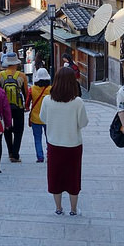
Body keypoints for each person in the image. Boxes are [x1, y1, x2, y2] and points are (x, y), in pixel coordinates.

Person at [39, 67, 88, 216]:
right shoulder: (78, 102)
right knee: (73, 176)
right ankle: (73, 209)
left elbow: (43, 118)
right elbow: (83, 123)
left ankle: (58, 208)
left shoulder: (47, 100)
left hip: (54, 144)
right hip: (73, 145)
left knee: (56, 176)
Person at [0, 52, 28, 163]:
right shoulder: (22, 76)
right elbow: (25, 93)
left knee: (7, 128)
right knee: (19, 130)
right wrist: (27, 105)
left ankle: (10, 151)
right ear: (16, 63)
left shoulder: (0, 75)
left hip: (5, 107)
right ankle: (15, 154)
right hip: (18, 106)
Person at [26, 68, 51, 163]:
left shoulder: (32, 89)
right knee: (49, 137)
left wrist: (27, 107)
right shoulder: (51, 89)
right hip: (48, 118)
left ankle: (40, 157)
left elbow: (27, 103)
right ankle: (49, 155)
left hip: (36, 118)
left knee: (37, 138)